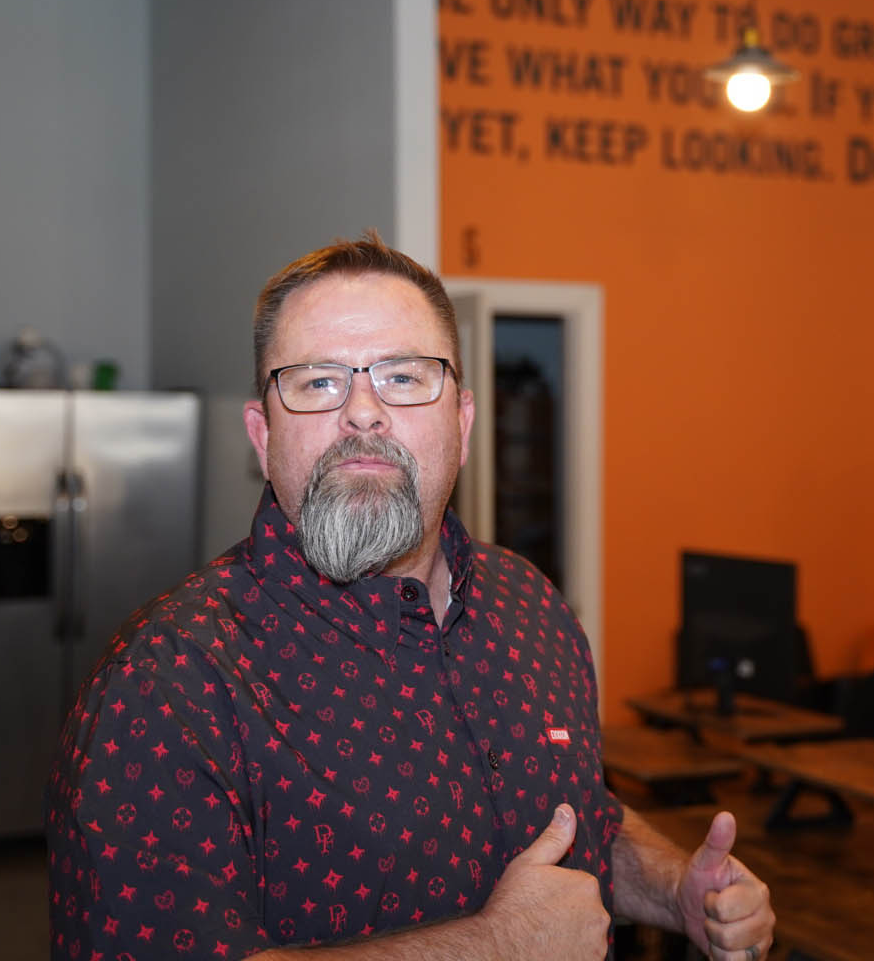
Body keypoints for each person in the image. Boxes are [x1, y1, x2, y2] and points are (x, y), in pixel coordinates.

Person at [46, 232, 775, 960]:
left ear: (460, 424)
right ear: (263, 436)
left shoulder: (531, 606)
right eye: (318, 381)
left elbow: (574, 815)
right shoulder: (166, 683)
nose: (363, 411)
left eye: (403, 376)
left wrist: (674, 889)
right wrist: (496, 949)